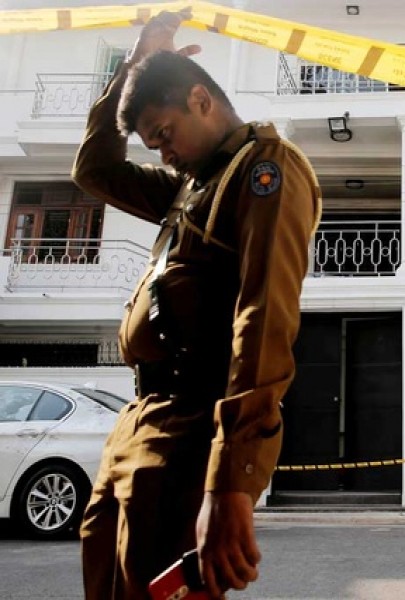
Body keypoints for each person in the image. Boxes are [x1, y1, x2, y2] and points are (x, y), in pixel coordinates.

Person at [71, 10, 320, 600]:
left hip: (188, 425)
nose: (162, 154)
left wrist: (229, 484)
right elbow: (94, 168)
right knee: (109, 581)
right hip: (139, 419)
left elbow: (262, 319)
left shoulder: (262, 170)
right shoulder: (192, 184)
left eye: (163, 134)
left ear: (201, 99)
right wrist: (135, 64)